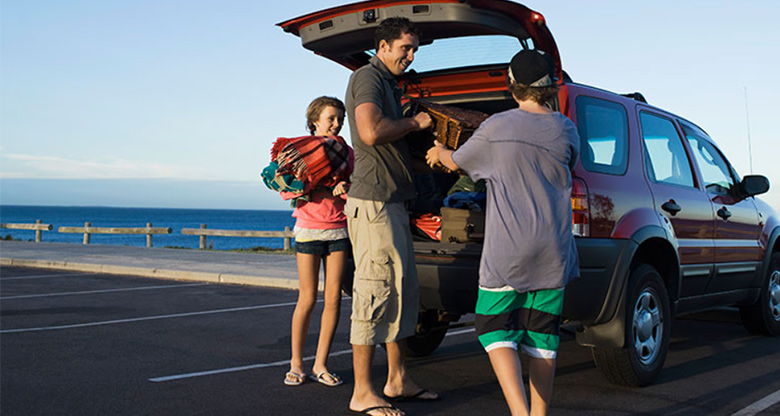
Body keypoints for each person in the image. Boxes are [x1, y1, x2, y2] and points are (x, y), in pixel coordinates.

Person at [426, 49, 580, 416]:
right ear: (550, 88)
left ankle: (519, 412)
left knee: (494, 329)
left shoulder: (498, 127)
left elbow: (457, 162)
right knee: (543, 338)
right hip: (554, 249)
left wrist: (438, 151)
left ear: (511, 86)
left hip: (509, 249)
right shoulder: (566, 128)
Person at [343, 17, 439, 416]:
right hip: (375, 204)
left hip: (394, 203)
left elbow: (390, 148)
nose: (411, 56)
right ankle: (362, 392)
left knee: (400, 293)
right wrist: (416, 122)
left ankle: (398, 379)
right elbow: (369, 132)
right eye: (405, 48)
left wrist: (434, 161)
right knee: (374, 293)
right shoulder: (368, 77)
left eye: (414, 48)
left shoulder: (389, 84)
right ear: (383, 47)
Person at [284, 96, 353, 388]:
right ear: (314, 122)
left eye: (340, 119)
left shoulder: (348, 152)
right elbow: (287, 185)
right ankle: (296, 364)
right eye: (331, 119)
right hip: (310, 229)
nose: (336, 124)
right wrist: (313, 186)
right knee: (308, 298)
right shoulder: (300, 150)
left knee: (334, 299)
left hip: (339, 229)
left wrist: (345, 187)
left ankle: (321, 363)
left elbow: (354, 184)